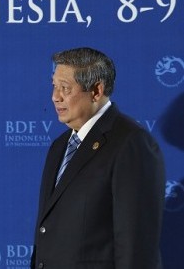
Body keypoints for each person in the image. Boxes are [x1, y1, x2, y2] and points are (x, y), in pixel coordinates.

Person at [30, 47, 165, 269]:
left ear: (96, 91)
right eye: (54, 86)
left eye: (65, 88)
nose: (55, 97)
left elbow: (137, 246)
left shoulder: (131, 143)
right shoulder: (59, 146)